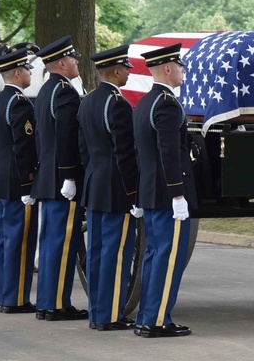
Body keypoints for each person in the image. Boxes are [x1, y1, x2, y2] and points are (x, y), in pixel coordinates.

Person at [133, 43, 196, 338]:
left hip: (150, 191)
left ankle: (147, 315)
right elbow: (168, 152)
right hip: (167, 195)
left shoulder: (145, 102)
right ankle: (158, 320)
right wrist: (178, 194)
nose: (184, 71)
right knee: (168, 256)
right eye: (180, 66)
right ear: (168, 69)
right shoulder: (167, 104)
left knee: (154, 254)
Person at [77, 45, 140, 331]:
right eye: (126, 69)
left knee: (98, 251)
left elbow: (84, 149)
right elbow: (124, 154)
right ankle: (111, 315)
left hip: (95, 183)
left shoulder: (88, 101)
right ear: (116, 71)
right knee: (116, 253)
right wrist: (133, 193)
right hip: (116, 187)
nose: (128, 73)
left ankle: (96, 312)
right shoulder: (118, 104)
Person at [31, 36, 87, 321]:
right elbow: (66, 138)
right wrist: (69, 176)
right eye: (73, 58)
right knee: (62, 243)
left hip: (48, 178)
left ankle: (47, 302)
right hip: (62, 180)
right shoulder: (64, 92)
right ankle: (55, 305)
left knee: (52, 241)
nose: (77, 62)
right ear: (62, 64)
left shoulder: (46, 90)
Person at [0, 45, 38, 314]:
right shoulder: (20, 104)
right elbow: (24, 148)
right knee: (19, 241)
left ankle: (4, 296)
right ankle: (16, 299)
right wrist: (29, 183)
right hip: (17, 183)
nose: (30, 73)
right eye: (27, 69)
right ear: (18, 73)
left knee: (3, 241)